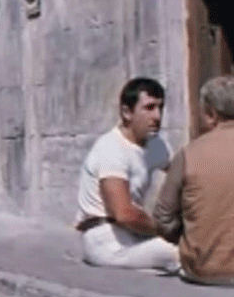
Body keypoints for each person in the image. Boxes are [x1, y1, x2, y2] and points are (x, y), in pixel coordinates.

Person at [75, 77, 179, 271]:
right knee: (178, 253)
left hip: (133, 234)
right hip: (105, 239)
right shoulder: (111, 149)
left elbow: (182, 175)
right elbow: (123, 214)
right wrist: (166, 230)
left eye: (160, 108)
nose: (157, 116)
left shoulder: (156, 145)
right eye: (149, 108)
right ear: (126, 112)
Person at [154, 75, 234, 285]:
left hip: (202, 270)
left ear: (211, 115)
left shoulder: (188, 154)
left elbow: (163, 219)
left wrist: (193, 236)